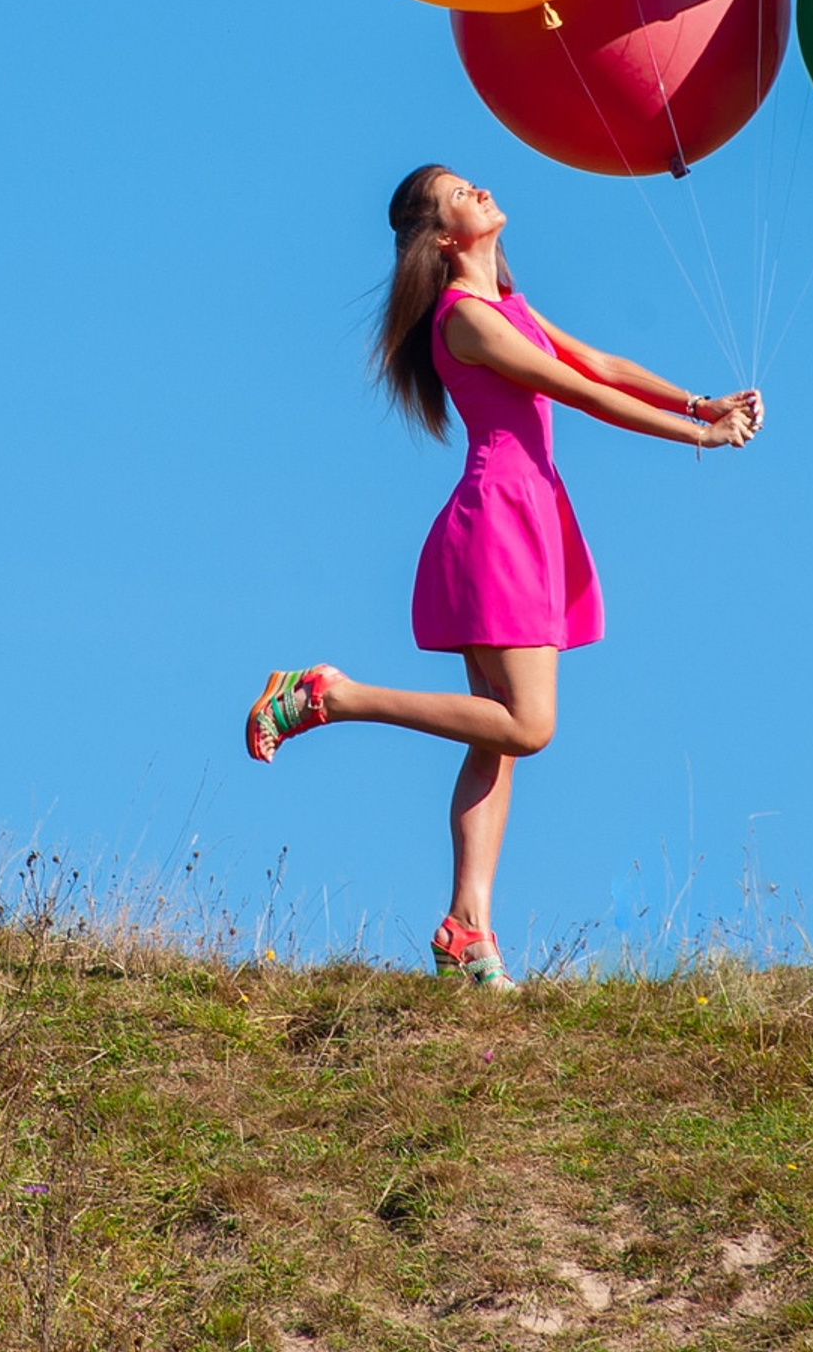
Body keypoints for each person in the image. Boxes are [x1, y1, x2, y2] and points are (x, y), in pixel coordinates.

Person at [244, 164, 761, 991]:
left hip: (524, 519)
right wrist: (695, 439)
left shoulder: (508, 306)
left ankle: (467, 931)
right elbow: (578, 391)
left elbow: (600, 359)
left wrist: (701, 402)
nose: (479, 190)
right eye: (459, 194)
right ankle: (329, 696)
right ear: (445, 239)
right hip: (500, 523)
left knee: (499, 740)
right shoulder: (465, 322)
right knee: (528, 726)